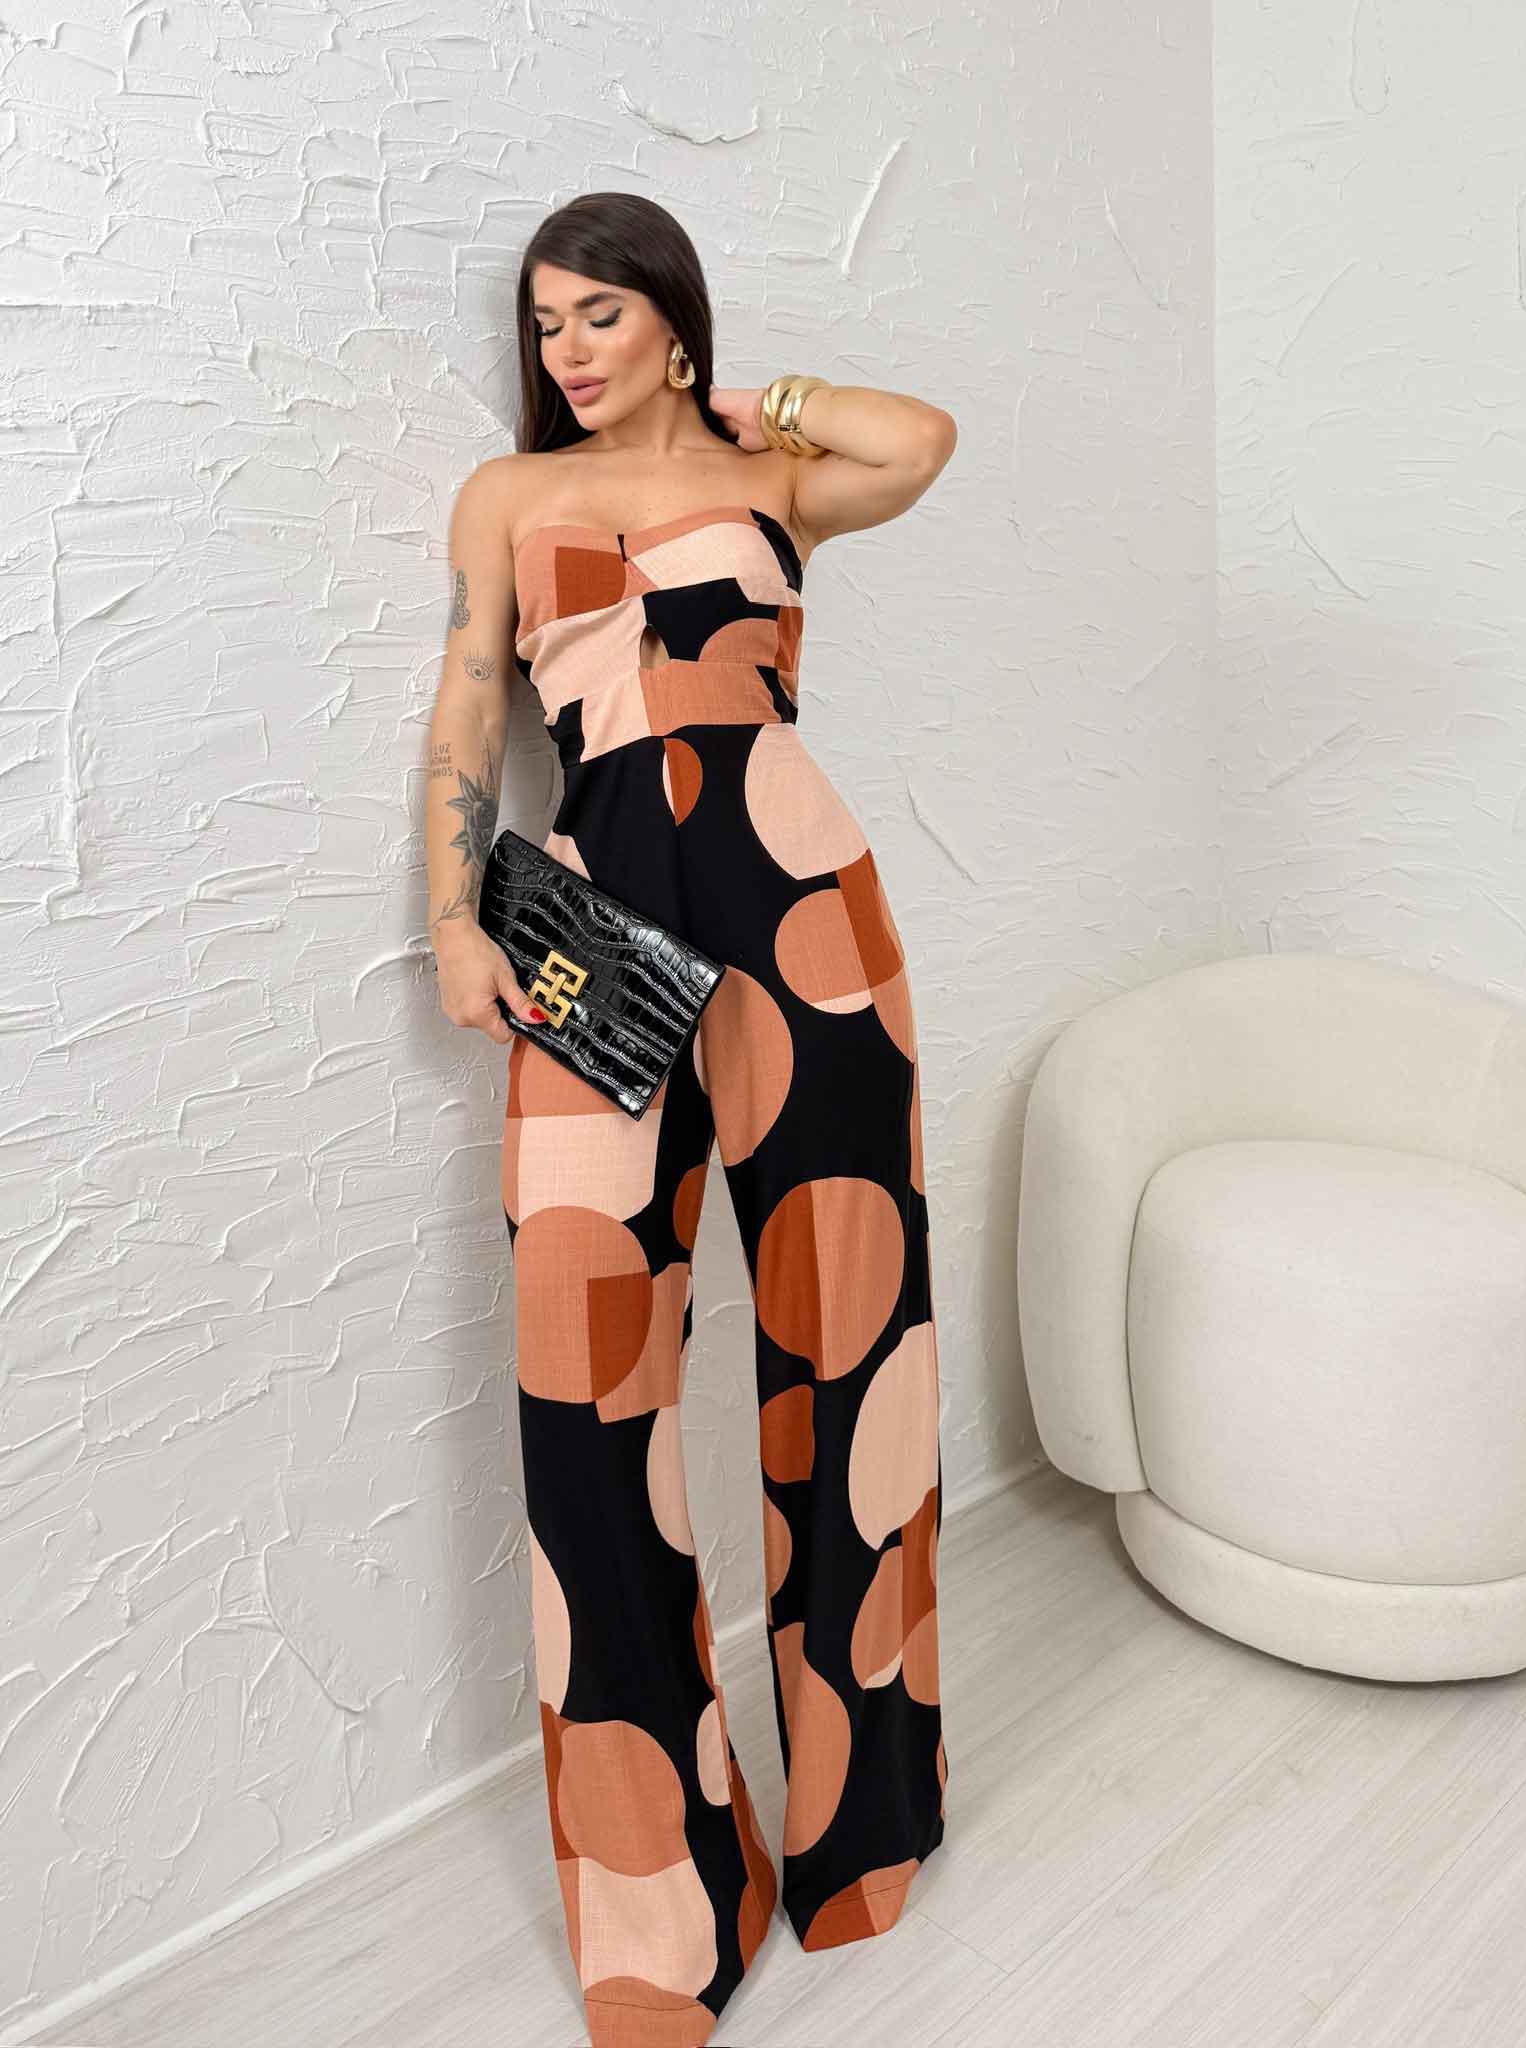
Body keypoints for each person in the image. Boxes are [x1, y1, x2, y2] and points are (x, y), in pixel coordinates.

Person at [425, 189, 957, 2048]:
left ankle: (861, 1828)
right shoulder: (508, 497)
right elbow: (469, 709)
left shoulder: (773, 477)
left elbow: (925, 441)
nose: (567, 350)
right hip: (592, 930)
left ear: (670, 316)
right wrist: (452, 921)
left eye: (600, 314)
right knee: (586, 1389)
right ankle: (665, 1900)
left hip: (806, 906)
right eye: (544, 323)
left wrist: (766, 403)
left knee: (850, 1348)